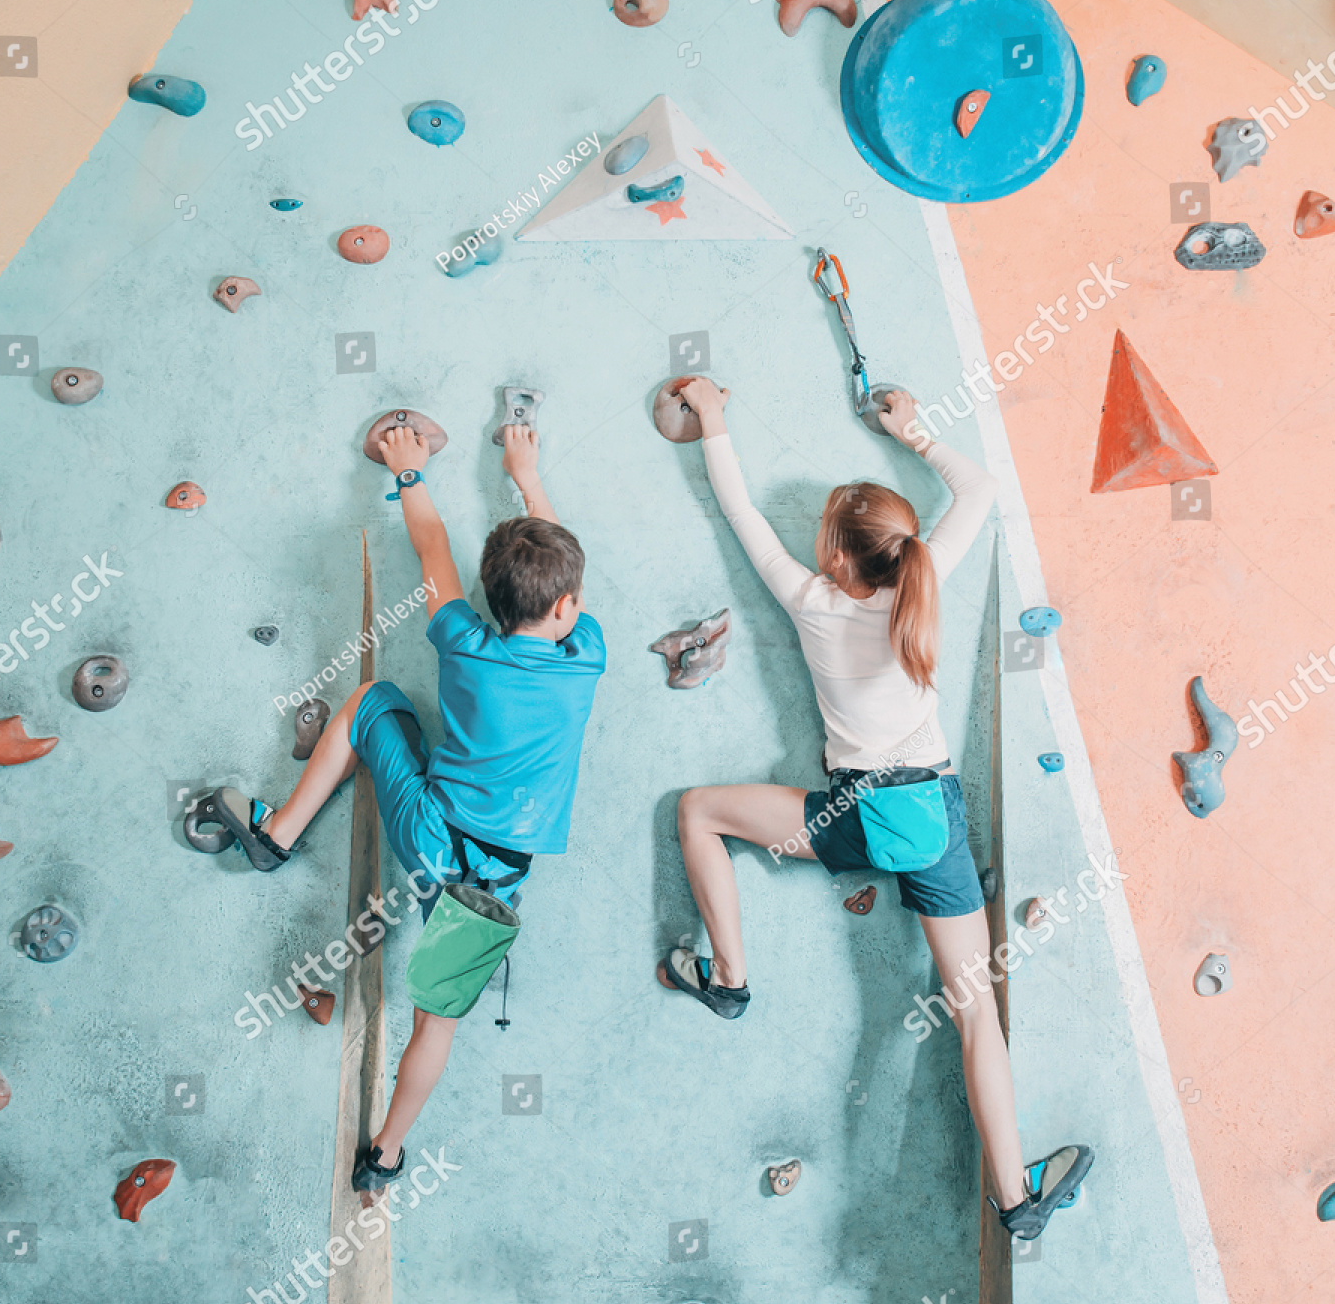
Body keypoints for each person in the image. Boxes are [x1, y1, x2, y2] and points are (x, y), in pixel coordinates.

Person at [661, 379, 1090, 1239]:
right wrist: (915, 433)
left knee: (699, 810)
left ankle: (732, 980)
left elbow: (738, 508)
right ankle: (1017, 1197)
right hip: (929, 824)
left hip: (846, 822)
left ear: (833, 560)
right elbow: (981, 492)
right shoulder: (921, 587)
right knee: (974, 1010)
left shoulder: (810, 601)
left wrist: (713, 417)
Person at [207, 423, 605, 1197]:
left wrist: (410, 472)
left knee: (373, 700)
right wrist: (528, 472)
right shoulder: (583, 654)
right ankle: (384, 1154)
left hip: (427, 834)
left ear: (491, 603)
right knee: (437, 1025)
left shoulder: (462, 639)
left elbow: (432, 553)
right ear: (567, 607)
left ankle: (277, 834)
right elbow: (563, 567)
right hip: (492, 885)